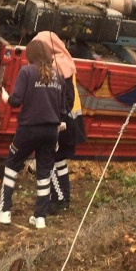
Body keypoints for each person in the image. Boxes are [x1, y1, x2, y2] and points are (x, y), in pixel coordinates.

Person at [0, 37, 66, 229]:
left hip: (28, 130)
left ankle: (4, 211)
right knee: (44, 172)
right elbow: (62, 110)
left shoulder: (27, 72)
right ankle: (40, 217)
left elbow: (15, 101)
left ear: (31, 56)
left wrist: (3, 94)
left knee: (12, 165)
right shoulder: (59, 77)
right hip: (51, 132)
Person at [32, 32, 86, 215]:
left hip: (64, 122)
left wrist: (55, 119)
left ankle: (59, 200)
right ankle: (61, 198)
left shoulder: (59, 65)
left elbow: (67, 98)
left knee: (52, 160)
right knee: (59, 160)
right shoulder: (63, 61)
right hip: (67, 121)